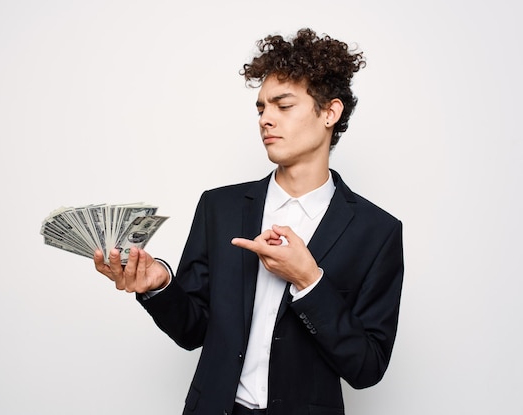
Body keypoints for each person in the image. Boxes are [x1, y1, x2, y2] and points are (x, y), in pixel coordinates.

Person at [94, 28, 404, 415]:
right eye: (261, 108)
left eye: (283, 106)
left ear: (330, 112)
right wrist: (160, 286)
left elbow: (367, 367)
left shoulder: (377, 232)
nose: (265, 120)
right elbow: (193, 331)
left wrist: (310, 282)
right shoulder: (219, 207)